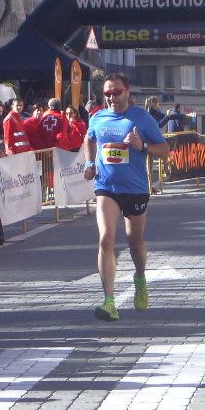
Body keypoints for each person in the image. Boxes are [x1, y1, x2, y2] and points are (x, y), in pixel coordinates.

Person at [83, 73, 170, 322]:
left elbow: (165, 150)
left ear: (127, 91)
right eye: (107, 93)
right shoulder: (98, 117)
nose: (112, 97)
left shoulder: (142, 118)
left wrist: (142, 146)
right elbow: (89, 138)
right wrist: (89, 163)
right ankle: (109, 301)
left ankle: (140, 277)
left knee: (135, 242)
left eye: (116, 92)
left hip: (135, 189)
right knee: (105, 239)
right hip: (106, 187)